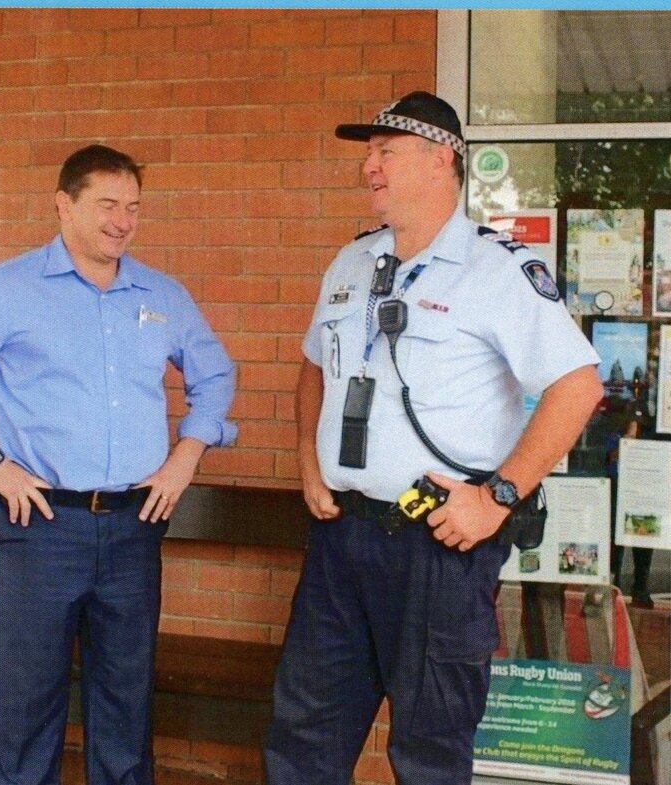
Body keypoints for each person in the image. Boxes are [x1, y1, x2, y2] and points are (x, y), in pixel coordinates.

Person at [263, 91, 603, 785]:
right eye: (368, 155)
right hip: (341, 540)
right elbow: (311, 367)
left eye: (385, 152)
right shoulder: (352, 262)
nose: (369, 169)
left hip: (438, 547)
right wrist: (308, 461)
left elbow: (579, 387)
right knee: (303, 738)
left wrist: (499, 494)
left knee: (428, 753)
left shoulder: (498, 269)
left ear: (440, 159)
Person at [0, 144, 237, 785]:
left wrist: (186, 454)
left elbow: (215, 374)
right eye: (107, 204)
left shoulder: (162, 294)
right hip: (39, 526)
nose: (122, 220)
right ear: (63, 204)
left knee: (126, 704)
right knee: (24, 706)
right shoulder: (8, 288)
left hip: (133, 526)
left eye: (133, 207)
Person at [606, 411, 654, 607]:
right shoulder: (613, 438)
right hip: (618, 489)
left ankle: (640, 588)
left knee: (642, 543)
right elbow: (609, 460)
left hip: (640, 493)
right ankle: (612, 583)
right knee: (616, 541)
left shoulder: (649, 442)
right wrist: (624, 446)